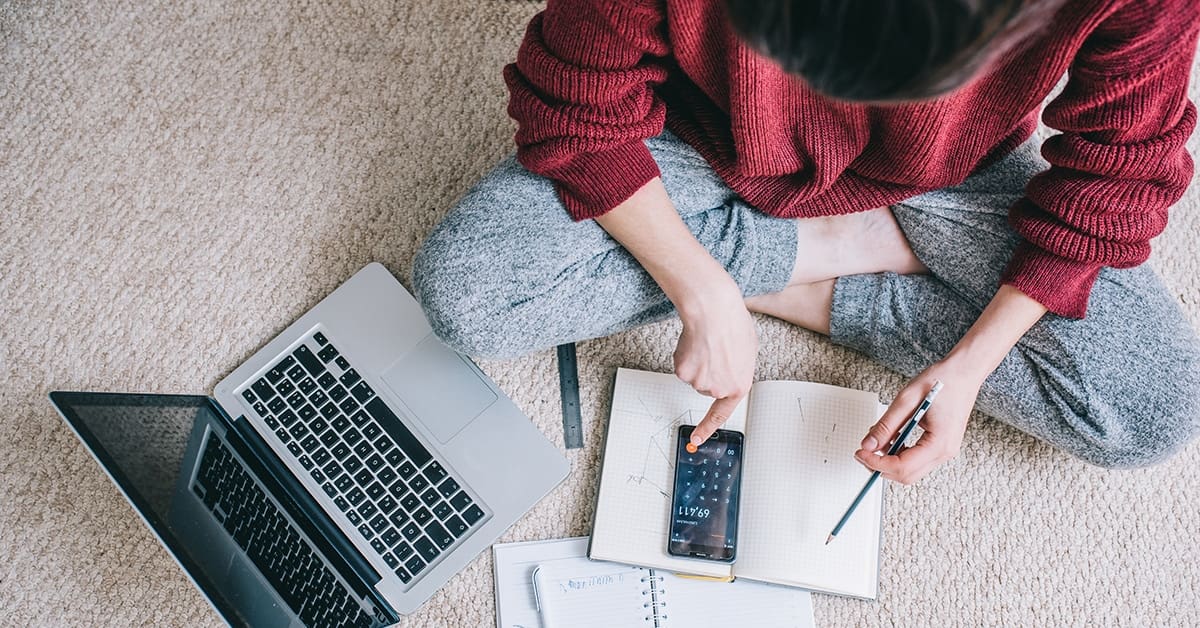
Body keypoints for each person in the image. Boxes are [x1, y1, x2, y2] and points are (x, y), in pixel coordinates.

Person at [412, 0, 1200, 484]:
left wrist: (971, 365)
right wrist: (702, 290)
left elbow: (1117, 179)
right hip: (694, 136)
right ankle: (835, 247)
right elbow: (574, 109)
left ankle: (816, 254)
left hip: (943, 177)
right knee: (469, 296)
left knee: (1154, 406)